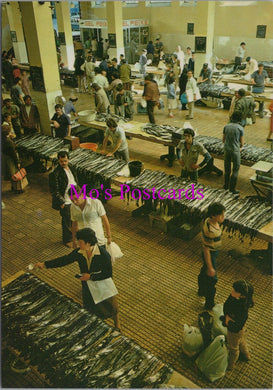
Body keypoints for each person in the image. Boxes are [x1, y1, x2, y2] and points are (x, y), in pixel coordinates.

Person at [34, 227, 120, 330]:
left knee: (111, 306)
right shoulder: (79, 252)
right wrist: (45, 264)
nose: (78, 244)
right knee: (90, 307)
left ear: (88, 243)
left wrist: (91, 276)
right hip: (87, 285)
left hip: (102, 284)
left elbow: (108, 274)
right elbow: (65, 260)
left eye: (80, 242)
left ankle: (117, 325)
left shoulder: (103, 255)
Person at [198, 202, 225, 310]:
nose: (223, 217)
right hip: (210, 254)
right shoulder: (210, 231)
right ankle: (209, 303)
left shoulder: (210, 220)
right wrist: (210, 267)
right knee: (211, 279)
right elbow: (206, 250)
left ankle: (201, 290)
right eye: (221, 215)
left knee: (204, 272)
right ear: (213, 216)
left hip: (214, 251)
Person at [49, 150, 78, 247]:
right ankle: (67, 240)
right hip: (65, 199)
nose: (64, 163)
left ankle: (74, 235)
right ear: (58, 160)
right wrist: (61, 201)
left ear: (68, 159)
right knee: (66, 220)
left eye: (65, 161)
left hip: (74, 197)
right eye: (61, 161)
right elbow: (54, 190)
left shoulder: (72, 168)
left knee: (74, 218)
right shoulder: (55, 173)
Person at [222, 280, 254, 370]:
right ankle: (246, 353)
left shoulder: (242, 311)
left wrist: (228, 321)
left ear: (242, 295)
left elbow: (237, 327)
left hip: (234, 331)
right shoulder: (237, 298)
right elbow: (226, 305)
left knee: (233, 348)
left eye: (235, 291)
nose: (232, 291)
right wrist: (227, 316)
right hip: (239, 329)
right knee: (241, 340)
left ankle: (231, 364)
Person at [223, 111, 244, 195]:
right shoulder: (240, 128)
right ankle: (232, 189)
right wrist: (240, 147)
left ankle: (225, 186)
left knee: (227, 169)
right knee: (235, 170)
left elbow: (223, 140)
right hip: (235, 151)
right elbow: (241, 143)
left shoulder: (226, 126)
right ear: (240, 119)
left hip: (227, 150)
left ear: (232, 118)